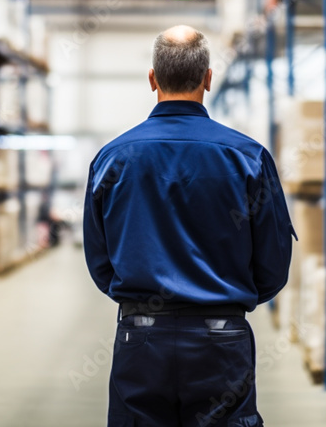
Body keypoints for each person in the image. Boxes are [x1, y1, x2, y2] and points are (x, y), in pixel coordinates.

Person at [83, 25, 295, 427]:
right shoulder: (248, 158)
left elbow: (100, 261)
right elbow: (273, 265)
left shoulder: (112, 158)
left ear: (152, 79)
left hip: (140, 338)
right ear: (208, 78)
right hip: (222, 338)